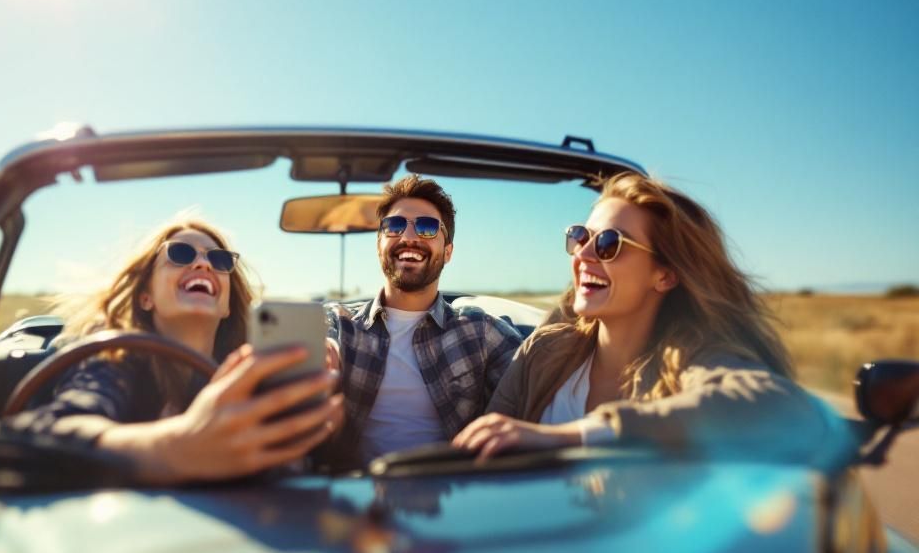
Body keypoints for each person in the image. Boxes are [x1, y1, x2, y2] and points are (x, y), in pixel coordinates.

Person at [454, 173, 845, 461]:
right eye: (581, 236)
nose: (583, 255)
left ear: (665, 275)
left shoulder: (689, 361)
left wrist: (573, 437)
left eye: (609, 243)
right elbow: (478, 459)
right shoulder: (543, 351)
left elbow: (782, 407)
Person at [15, 220, 344, 484]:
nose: (203, 263)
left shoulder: (248, 372)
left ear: (227, 305)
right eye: (181, 254)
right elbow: (52, 434)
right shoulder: (115, 356)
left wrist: (315, 422)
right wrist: (178, 447)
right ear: (146, 297)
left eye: (219, 260)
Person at [321, 175, 523, 467]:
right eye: (395, 226)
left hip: (452, 489)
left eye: (427, 227)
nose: (409, 237)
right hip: (354, 490)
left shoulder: (480, 331)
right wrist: (321, 360)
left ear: (448, 252)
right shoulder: (339, 323)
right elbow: (321, 346)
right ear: (379, 244)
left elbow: (539, 387)